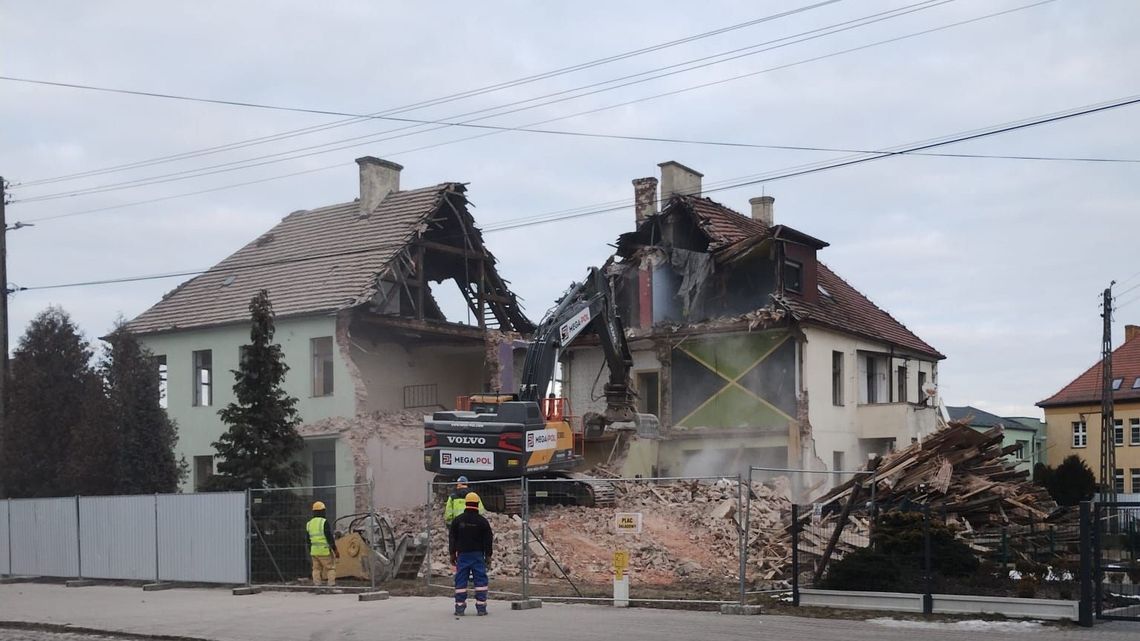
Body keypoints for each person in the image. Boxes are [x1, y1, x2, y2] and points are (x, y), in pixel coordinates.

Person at [449, 491, 493, 616]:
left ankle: (459, 607)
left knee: (461, 580)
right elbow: (488, 540)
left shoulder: (457, 521)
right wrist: (488, 555)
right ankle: (481, 608)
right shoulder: (482, 522)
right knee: (480, 580)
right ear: (477, 504)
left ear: (466, 503)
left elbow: (452, 538)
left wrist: (452, 554)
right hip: (478, 555)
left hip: (462, 555)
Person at [306, 500, 339, 587]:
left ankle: (317, 584)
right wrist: (335, 550)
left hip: (314, 551)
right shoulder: (324, 522)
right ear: (322, 511)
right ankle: (331, 584)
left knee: (316, 569)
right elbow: (329, 537)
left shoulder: (309, 524)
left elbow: (308, 540)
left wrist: (310, 550)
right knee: (330, 568)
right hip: (324, 551)